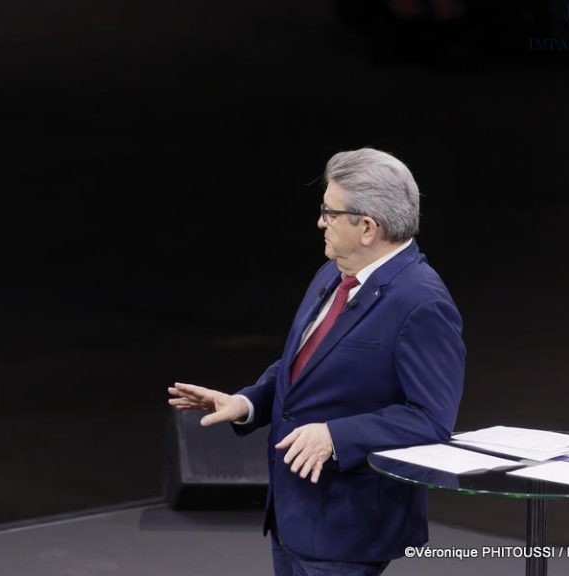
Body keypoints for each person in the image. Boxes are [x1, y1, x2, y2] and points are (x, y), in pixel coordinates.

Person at [168, 147, 466, 575]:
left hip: (348, 526)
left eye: (330, 212)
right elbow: (306, 366)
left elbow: (431, 420)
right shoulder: (335, 272)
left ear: (367, 227)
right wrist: (249, 403)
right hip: (294, 514)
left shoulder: (421, 304)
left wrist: (336, 436)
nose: (320, 222)